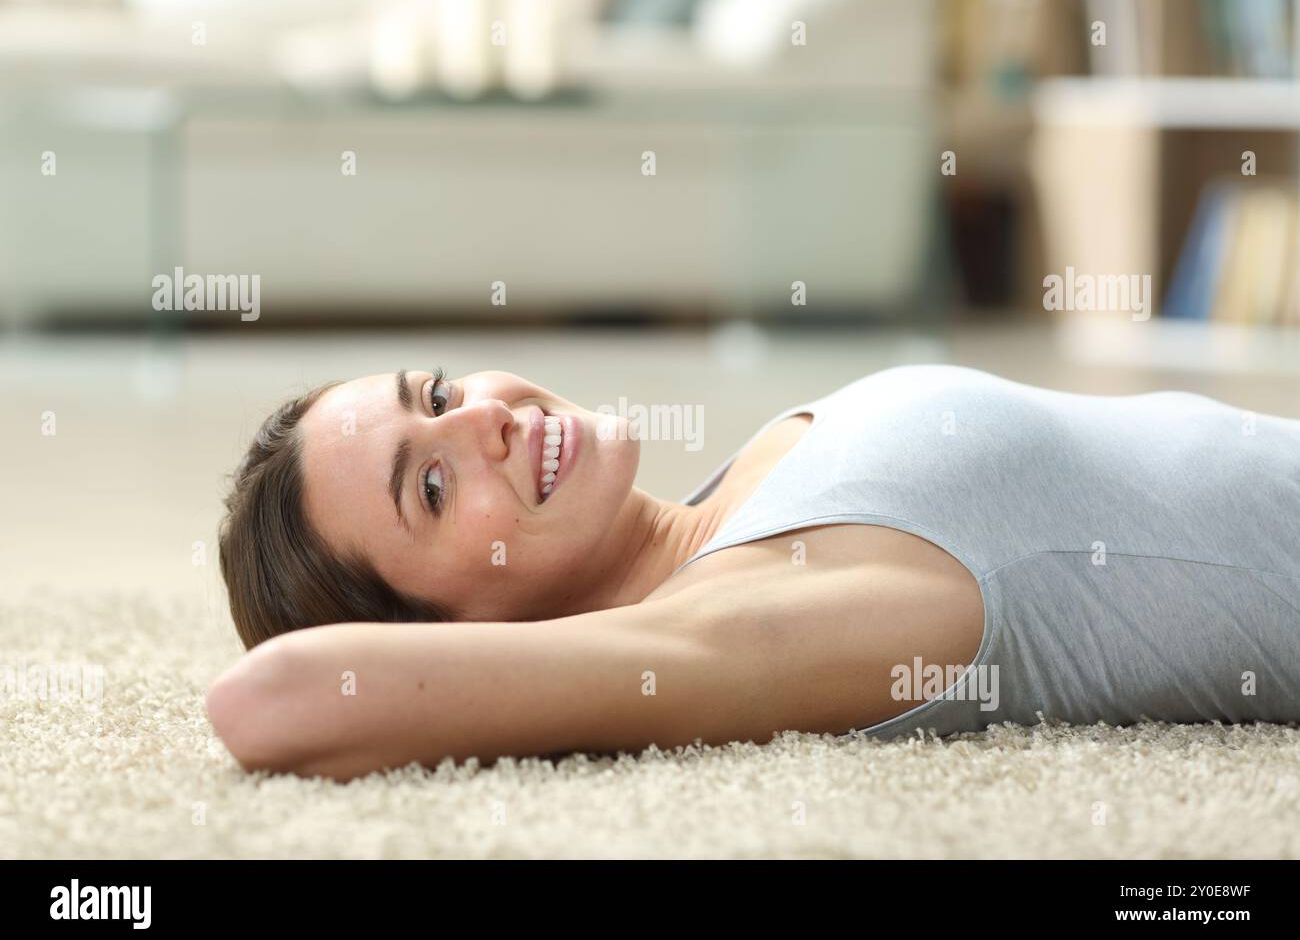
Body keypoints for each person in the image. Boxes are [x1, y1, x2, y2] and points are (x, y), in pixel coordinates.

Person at [206, 364, 1300, 781]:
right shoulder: (726, 630)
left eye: (437, 393)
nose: (484, 419)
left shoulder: (726, 499)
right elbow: (269, 701)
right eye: (430, 489)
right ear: (441, 636)